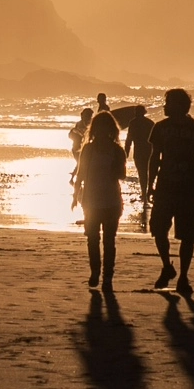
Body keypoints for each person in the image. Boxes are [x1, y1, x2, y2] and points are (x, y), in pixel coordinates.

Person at [147, 88, 194, 296]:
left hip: (185, 188)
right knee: (158, 230)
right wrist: (150, 184)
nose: (164, 106)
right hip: (168, 187)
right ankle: (167, 266)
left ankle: (183, 276)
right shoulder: (161, 127)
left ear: (176, 105)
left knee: (188, 235)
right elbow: (155, 158)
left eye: (167, 102)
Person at [74, 112, 127, 290]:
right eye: (100, 127)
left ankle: (107, 277)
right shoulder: (88, 149)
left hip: (112, 201)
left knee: (109, 241)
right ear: (95, 129)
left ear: (111, 130)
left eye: (106, 127)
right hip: (90, 200)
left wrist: (115, 170)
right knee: (92, 239)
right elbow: (81, 174)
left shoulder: (118, 150)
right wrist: (75, 196)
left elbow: (123, 175)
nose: (103, 131)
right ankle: (95, 272)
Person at [123, 105, 156, 205]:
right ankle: (147, 192)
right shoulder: (150, 123)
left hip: (139, 151)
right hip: (149, 151)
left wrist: (126, 153)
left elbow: (129, 139)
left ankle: (144, 193)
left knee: (142, 173)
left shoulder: (133, 123)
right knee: (149, 172)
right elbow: (155, 141)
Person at [68, 107, 93, 183]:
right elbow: (72, 134)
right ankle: (75, 179)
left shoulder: (89, 124)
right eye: (88, 116)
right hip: (76, 148)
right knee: (81, 163)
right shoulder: (80, 124)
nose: (89, 118)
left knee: (81, 163)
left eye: (90, 116)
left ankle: (74, 178)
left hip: (84, 148)